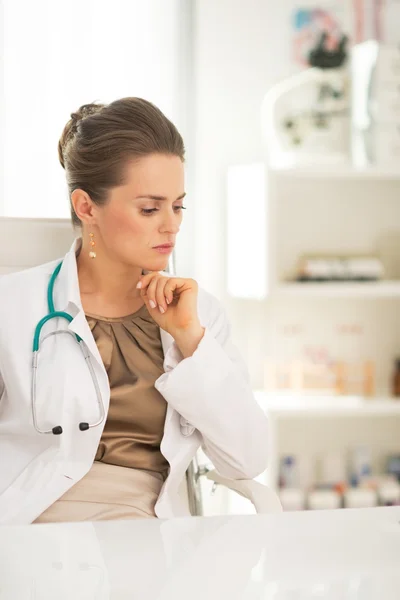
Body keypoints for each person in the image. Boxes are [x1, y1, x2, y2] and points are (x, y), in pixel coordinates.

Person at [0, 97, 268, 525]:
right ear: (86, 207)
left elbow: (247, 459)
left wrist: (191, 340)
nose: (172, 224)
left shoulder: (198, 317)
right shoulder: (12, 306)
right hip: (29, 529)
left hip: (145, 536)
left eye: (178, 206)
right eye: (149, 208)